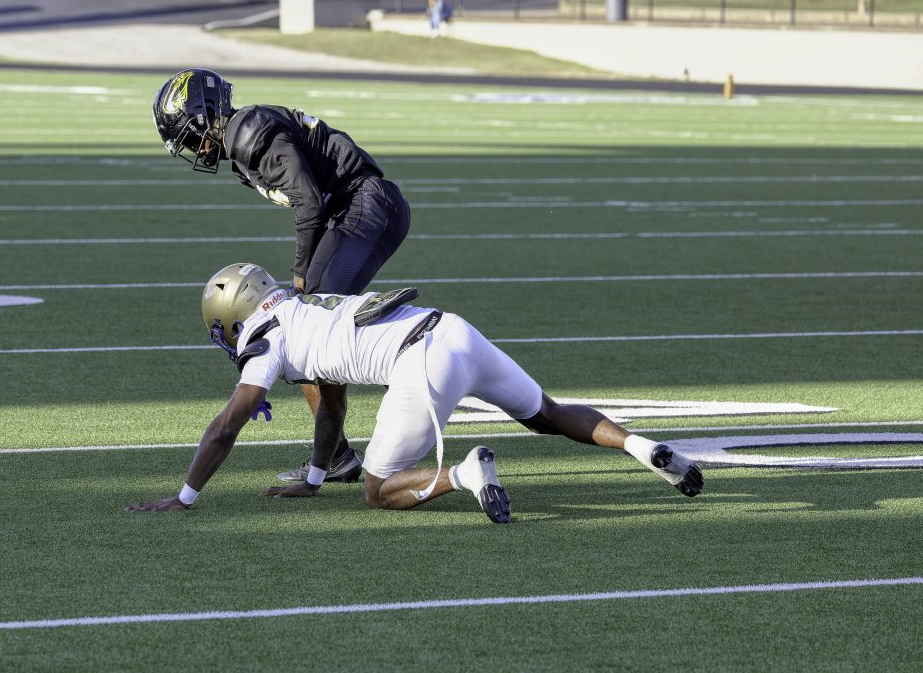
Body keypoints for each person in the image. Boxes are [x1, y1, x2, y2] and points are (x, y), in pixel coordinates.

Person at [126, 263, 705, 523]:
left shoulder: (266, 342)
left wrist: (185, 496)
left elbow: (227, 426)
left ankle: (465, 474)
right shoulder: (306, 307)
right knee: (546, 413)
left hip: (422, 361)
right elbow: (332, 405)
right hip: (452, 329)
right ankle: (642, 447)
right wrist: (314, 478)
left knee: (378, 493)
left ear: (233, 318)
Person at [152, 69, 412, 485]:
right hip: (358, 208)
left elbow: (309, 203)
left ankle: (402, 398)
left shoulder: (248, 134)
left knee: (308, 325)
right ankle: (337, 453)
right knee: (308, 327)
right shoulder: (241, 141)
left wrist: (300, 278)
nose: (191, 148)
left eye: (188, 137)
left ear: (203, 116)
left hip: (367, 205)